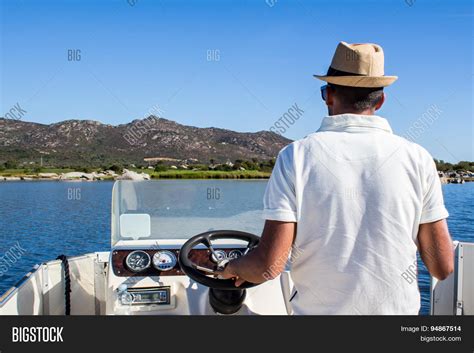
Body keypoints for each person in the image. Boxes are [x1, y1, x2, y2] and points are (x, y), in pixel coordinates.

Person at [218, 41, 454, 314]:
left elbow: (269, 266)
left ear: (328, 95)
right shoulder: (418, 158)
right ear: (380, 100)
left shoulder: (295, 156)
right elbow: (442, 266)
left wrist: (232, 267)